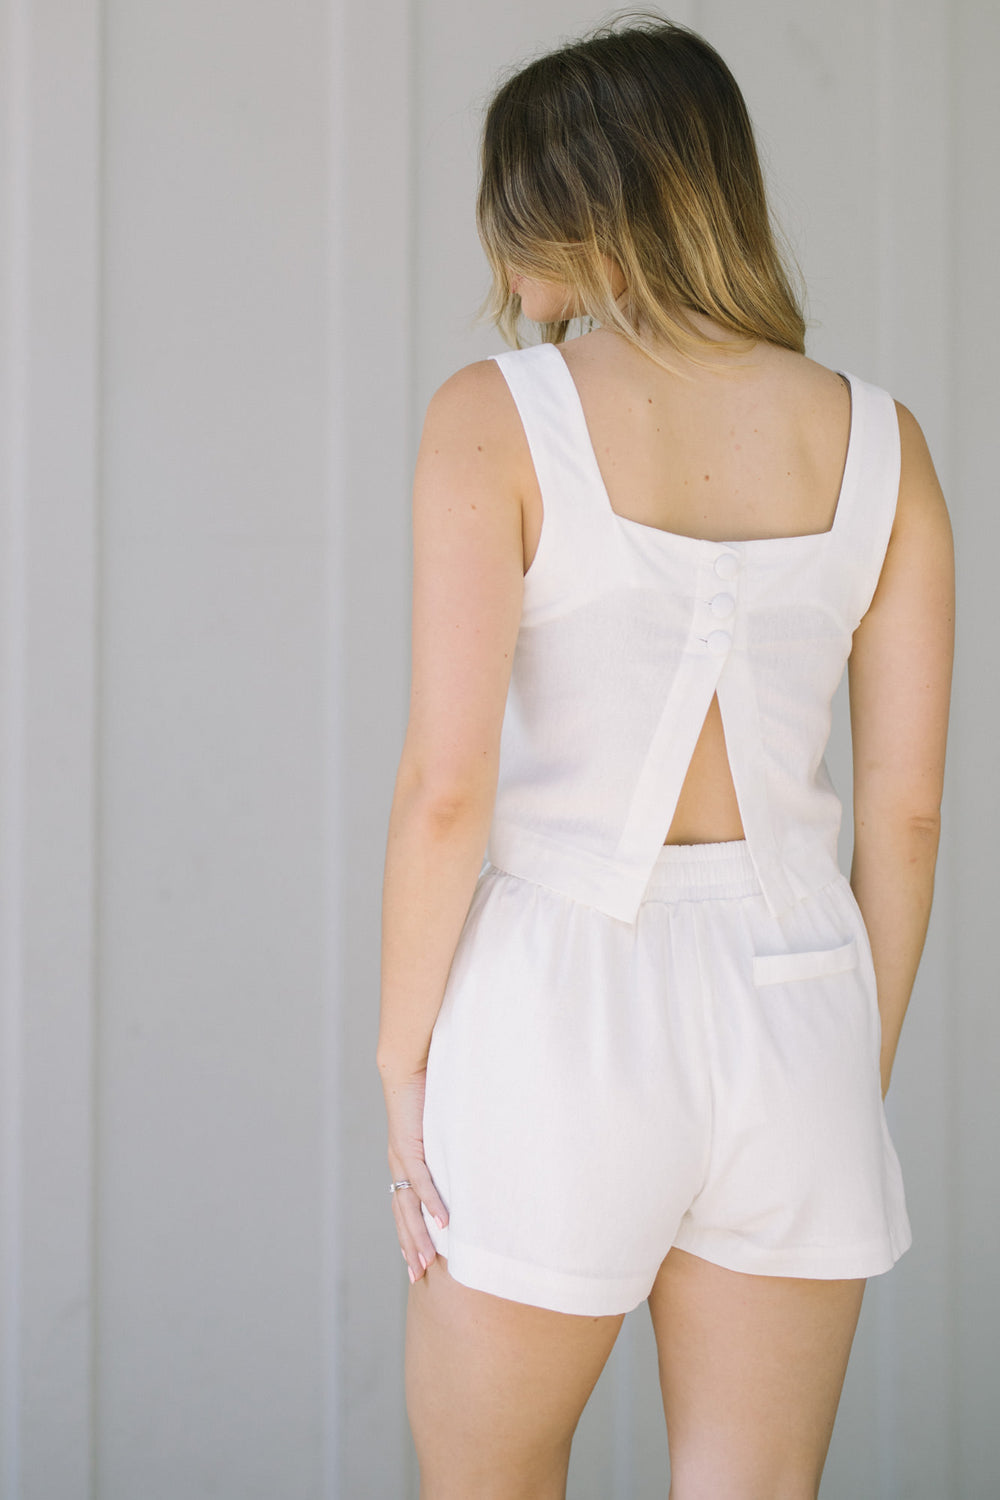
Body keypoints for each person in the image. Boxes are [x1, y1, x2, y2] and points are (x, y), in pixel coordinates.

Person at [376, 13, 954, 1498]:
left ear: (576, 210)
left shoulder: (494, 419)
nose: (503, 274)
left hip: (561, 1000)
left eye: (512, 224)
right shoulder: (884, 446)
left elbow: (447, 789)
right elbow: (903, 810)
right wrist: (848, 1052)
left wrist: (399, 1060)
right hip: (801, 999)